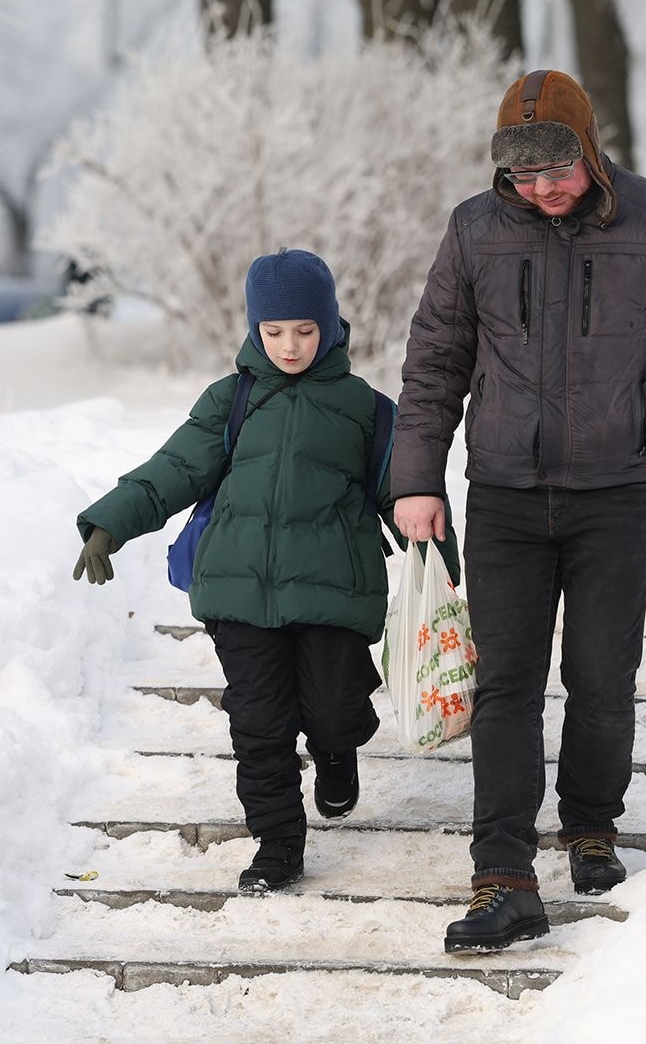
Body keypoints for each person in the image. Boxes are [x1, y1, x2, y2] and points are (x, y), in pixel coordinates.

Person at [392, 69, 646, 953]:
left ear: (590, 152)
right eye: (522, 175)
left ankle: (590, 824)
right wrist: (416, 477)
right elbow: (436, 356)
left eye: (557, 170)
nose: (541, 190)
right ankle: (502, 876)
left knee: (600, 675)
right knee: (504, 685)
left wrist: (638, 420)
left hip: (618, 495)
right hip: (504, 490)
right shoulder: (476, 228)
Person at [72, 249, 455, 894]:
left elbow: (406, 492)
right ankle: (278, 842)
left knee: (335, 708)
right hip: (238, 589)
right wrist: (108, 523)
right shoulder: (231, 400)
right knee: (259, 723)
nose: (289, 346)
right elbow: (173, 470)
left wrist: (442, 566)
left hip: (335, 589)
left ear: (330, 326)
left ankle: (338, 751)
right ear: (254, 331)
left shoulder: (365, 408)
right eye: (273, 332)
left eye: (304, 330)